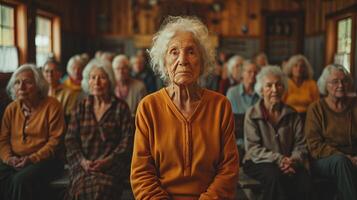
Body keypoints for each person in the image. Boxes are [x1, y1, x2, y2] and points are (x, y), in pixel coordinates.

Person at [130, 16, 239, 199]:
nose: (183, 60)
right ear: (164, 62)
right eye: (174, 52)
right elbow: (141, 175)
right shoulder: (148, 107)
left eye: (191, 52)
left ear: (202, 60)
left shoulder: (220, 106)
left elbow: (228, 170)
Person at [65, 59, 133, 200]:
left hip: (112, 167)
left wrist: (107, 161)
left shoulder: (121, 108)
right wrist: (83, 161)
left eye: (102, 78)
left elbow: (127, 141)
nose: (96, 82)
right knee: (81, 189)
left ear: (110, 81)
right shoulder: (81, 107)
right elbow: (71, 140)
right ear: (87, 82)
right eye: (92, 78)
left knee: (100, 190)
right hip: (83, 167)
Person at [243, 66, 313, 200]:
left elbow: (301, 145)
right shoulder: (252, 114)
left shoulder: (292, 114)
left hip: (289, 161)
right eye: (269, 86)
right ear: (261, 90)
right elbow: (253, 149)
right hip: (258, 161)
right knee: (274, 176)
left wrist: (293, 160)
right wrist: (279, 159)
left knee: (304, 178)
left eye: (279, 85)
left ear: (284, 89)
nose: (274, 90)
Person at [0, 64, 65, 200]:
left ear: (39, 86)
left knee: (20, 181)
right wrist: (9, 158)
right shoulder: (11, 108)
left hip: (46, 160)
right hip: (15, 159)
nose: (21, 87)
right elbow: (3, 140)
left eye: (27, 82)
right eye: (17, 83)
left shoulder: (52, 106)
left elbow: (55, 142)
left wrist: (31, 159)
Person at [305, 64, 357, 200]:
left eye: (344, 81)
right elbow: (314, 145)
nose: (341, 85)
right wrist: (346, 157)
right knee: (342, 162)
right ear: (325, 85)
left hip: (354, 157)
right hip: (325, 159)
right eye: (335, 81)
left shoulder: (355, 105)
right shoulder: (316, 108)